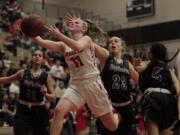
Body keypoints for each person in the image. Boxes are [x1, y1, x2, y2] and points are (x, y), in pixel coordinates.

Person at [31, 13, 119, 135]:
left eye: (77, 23)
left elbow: (77, 47)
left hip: (93, 83)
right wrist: (30, 30)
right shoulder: (63, 45)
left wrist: (59, 35)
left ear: (84, 29)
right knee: (59, 111)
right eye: (72, 22)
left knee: (112, 126)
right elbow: (41, 42)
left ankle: (115, 113)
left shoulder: (87, 39)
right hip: (75, 86)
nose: (73, 23)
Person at [0, 49, 56, 135]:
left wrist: (46, 94)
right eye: (35, 55)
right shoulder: (22, 73)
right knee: (18, 131)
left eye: (40, 55)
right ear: (32, 58)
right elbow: (6, 80)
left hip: (39, 110)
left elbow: (53, 97)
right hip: (23, 109)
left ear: (43, 60)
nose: (37, 56)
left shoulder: (46, 76)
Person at [94, 36, 139, 135]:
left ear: (122, 47)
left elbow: (138, 80)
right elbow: (92, 46)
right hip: (109, 107)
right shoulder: (105, 58)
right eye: (110, 42)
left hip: (126, 106)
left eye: (116, 41)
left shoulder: (127, 64)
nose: (112, 43)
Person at [137, 43, 180, 135]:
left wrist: (145, 63)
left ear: (151, 54)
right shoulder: (168, 69)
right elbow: (177, 86)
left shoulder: (146, 64)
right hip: (168, 100)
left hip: (153, 99)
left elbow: (137, 69)